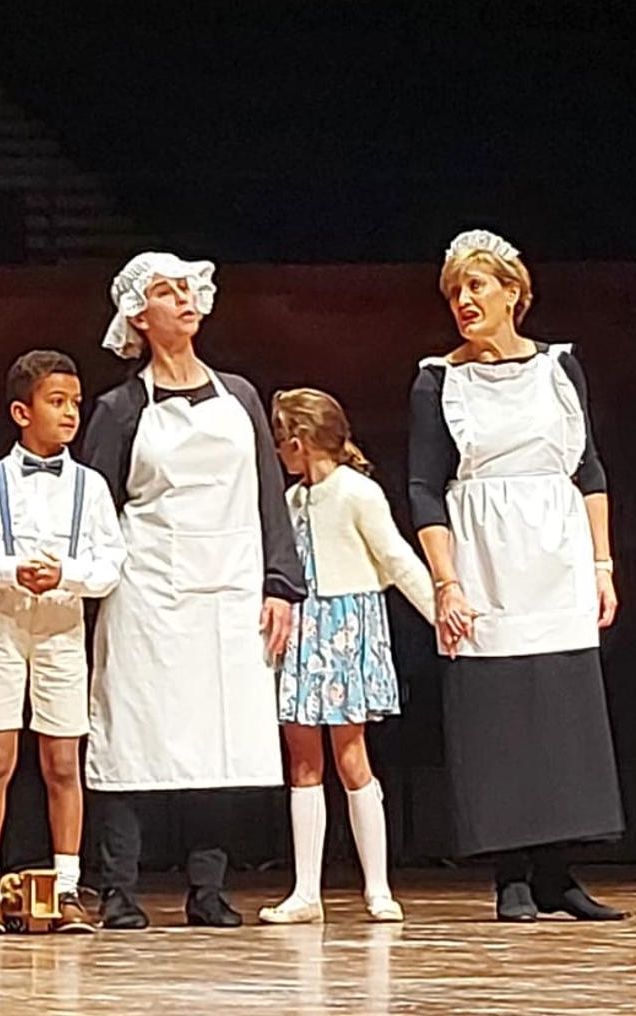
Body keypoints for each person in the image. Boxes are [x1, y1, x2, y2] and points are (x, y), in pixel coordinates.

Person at [408, 228, 626, 923]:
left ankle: (560, 873)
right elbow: (423, 487)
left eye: (476, 286)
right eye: (455, 291)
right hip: (484, 552)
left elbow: (588, 469)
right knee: (496, 713)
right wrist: (446, 581)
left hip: (556, 550)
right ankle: (512, 877)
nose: (464, 301)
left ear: (513, 293)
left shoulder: (561, 366)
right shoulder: (438, 379)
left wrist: (603, 563)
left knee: (562, 711)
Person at [81, 252, 302, 931]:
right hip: (148, 589)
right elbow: (94, 503)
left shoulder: (239, 395)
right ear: (138, 318)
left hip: (231, 586)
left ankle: (208, 887)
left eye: (188, 290)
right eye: (166, 292)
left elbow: (269, 491)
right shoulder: (120, 409)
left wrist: (281, 583)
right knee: (134, 735)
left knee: (220, 736)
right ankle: (119, 887)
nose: (184, 300)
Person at [0, 350, 122, 935]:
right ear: (22, 411)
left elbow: (110, 565)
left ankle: (69, 888)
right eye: (56, 402)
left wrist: (66, 577)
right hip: (2, 623)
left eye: (75, 402)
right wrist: (11, 571)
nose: (70, 413)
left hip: (62, 625)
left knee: (61, 760)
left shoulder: (90, 487)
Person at [260, 389, 434, 926]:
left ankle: (378, 889)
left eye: (281, 440)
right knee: (303, 760)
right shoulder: (290, 501)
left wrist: (439, 612)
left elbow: (396, 557)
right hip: (301, 628)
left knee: (351, 756)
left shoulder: (357, 492)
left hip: (347, 626)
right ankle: (306, 892)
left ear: (298, 441)